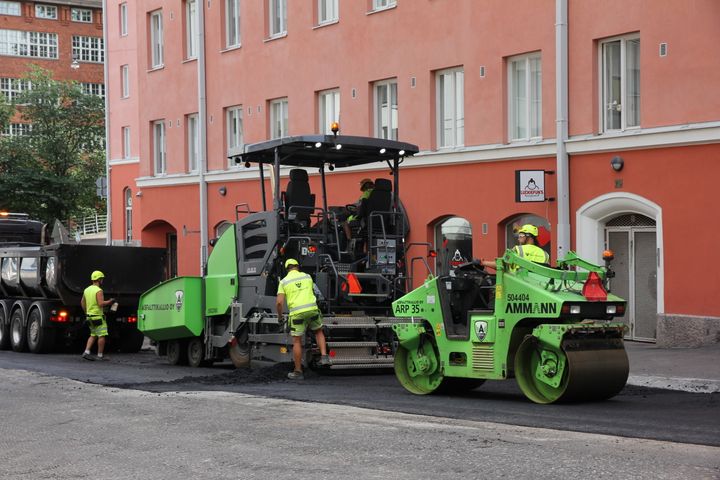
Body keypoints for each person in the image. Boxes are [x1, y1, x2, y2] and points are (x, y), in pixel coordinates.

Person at [276, 259, 329, 380]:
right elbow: (314, 292)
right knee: (318, 331)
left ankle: (298, 372)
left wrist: (280, 317)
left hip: (297, 314)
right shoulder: (307, 277)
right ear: (297, 267)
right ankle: (324, 356)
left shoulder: (284, 282)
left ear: (287, 268)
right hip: (312, 310)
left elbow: (279, 303)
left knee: (297, 342)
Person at [80, 270, 115, 361]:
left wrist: (86, 312)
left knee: (93, 334)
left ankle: (86, 352)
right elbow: (100, 304)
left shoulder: (87, 289)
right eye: (102, 279)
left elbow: (82, 302)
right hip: (98, 317)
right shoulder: (99, 290)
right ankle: (100, 355)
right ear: (99, 279)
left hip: (89, 316)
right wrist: (110, 301)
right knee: (102, 335)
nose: (102, 280)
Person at [482, 224, 549, 270]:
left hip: (516, 287)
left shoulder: (517, 249)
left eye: (521, 235)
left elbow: (501, 265)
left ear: (528, 236)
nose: (518, 238)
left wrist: (483, 263)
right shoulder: (545, 254)